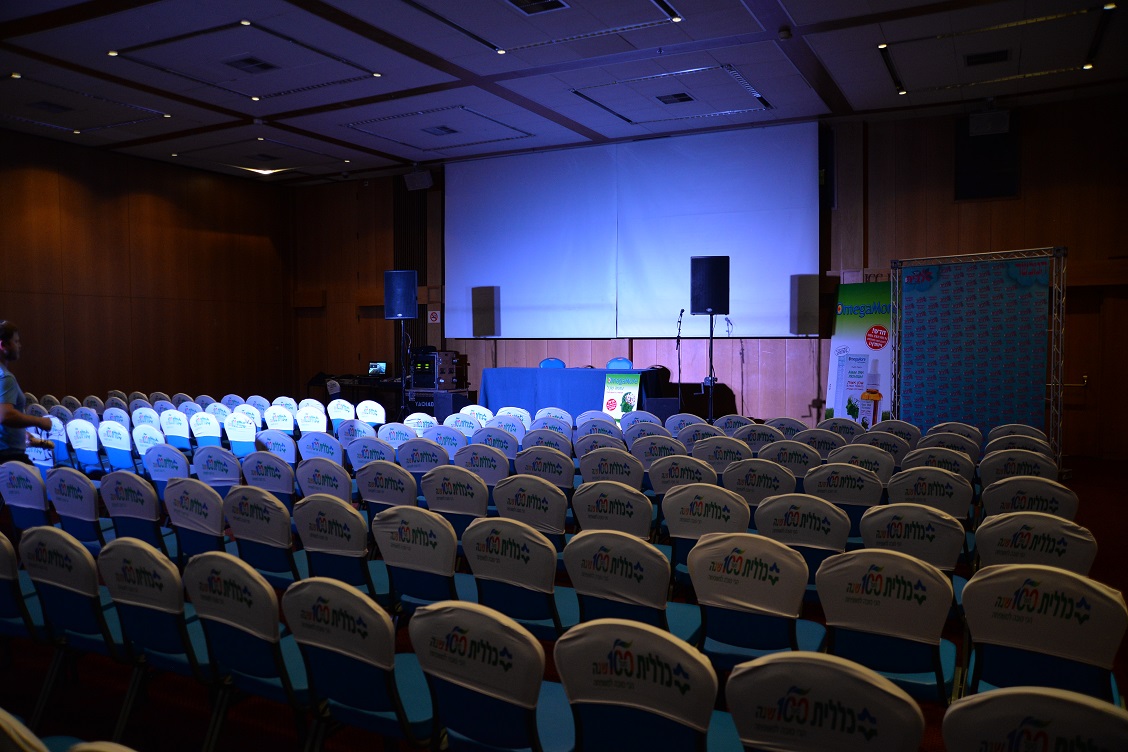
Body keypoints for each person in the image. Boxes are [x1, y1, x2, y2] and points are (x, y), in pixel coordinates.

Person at [0, 321, 54, 465]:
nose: (20, 346)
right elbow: (5, 415)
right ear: (3, 345)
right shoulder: (5, 377)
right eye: (16, 341)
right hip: (9, 456)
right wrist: (39, 421)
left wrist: (21, 433)